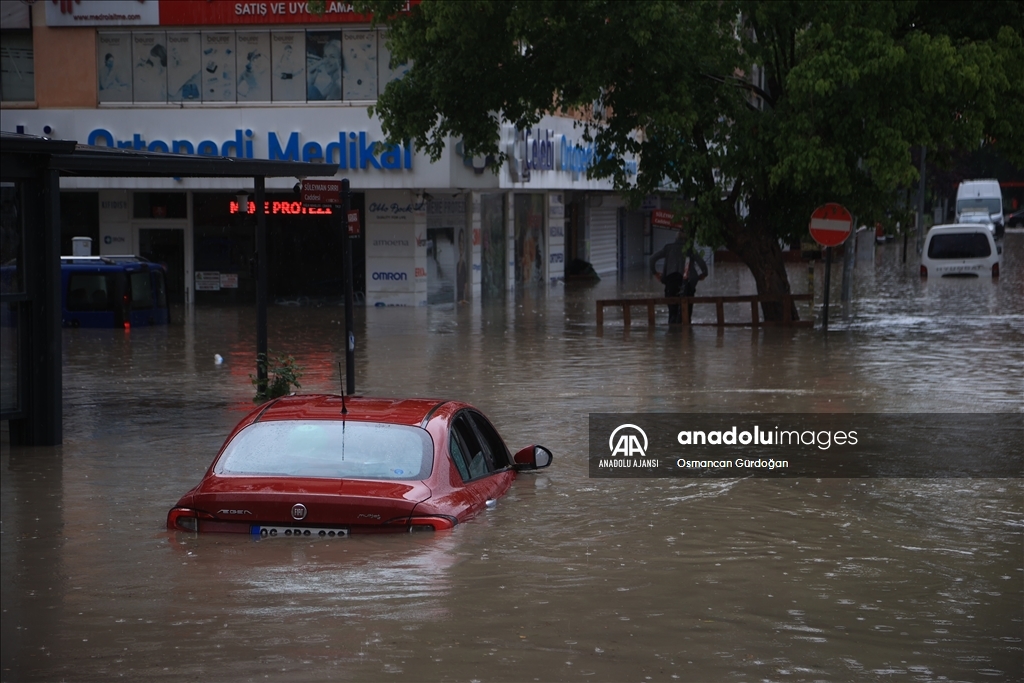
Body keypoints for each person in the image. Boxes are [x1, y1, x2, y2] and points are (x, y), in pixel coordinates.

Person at [651, 230, 706, 323]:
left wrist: (655, 273)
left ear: (676, 238)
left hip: (671, 283)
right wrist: (702, 275)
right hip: (687, 284)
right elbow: (703, 266)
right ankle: (687, 335)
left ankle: (672, 335)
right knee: (687, 315)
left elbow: (652, 259)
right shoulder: (690, 250)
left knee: (672, 313)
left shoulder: (668, 248)